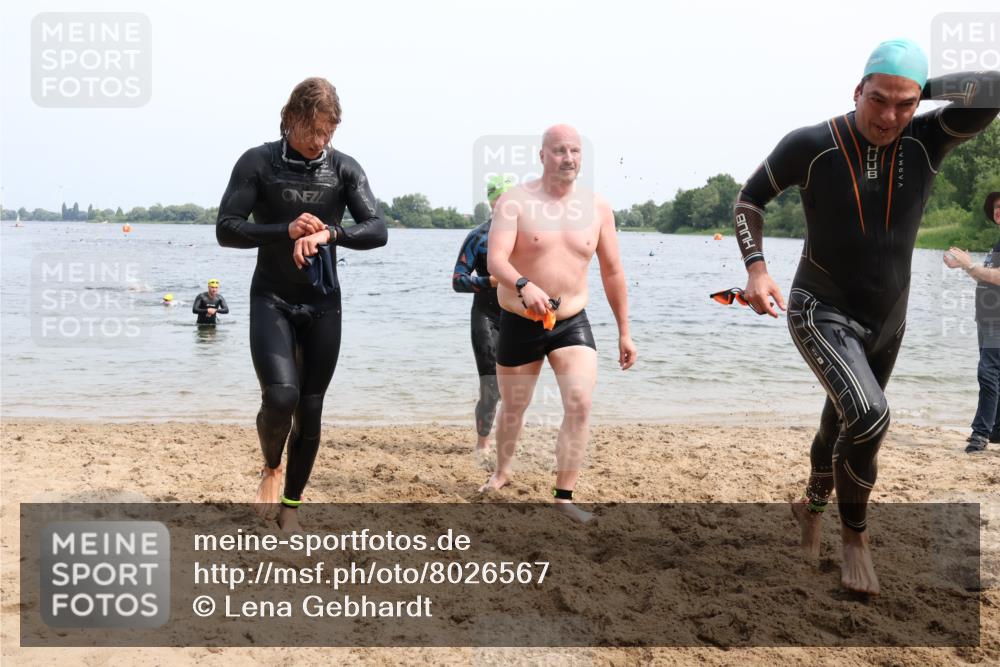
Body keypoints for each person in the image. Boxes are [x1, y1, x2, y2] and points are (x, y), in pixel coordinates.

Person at [735, 39, 999, 593]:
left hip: (888, 320)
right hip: (819, 307)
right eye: (879, 100)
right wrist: (757, 269)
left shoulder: (928, 138)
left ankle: (808, 506)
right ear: (857, 90)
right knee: (870, 415)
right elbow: (749, 200)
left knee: (843, 420)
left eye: (905, 104)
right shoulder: (812, 144)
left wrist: (923, 89)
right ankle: (855, 537)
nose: (889, 116)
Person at [216, 77, 387, 531]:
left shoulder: (344, 169)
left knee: (310, 407)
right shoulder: (259, 163)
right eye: (313, 130)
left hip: (323, 302)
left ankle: (291, 505)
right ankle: (271, 466)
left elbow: (377, 229)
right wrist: (285, 230)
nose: (320, 142)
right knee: (281, 396)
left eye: (328, 132)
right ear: (291, 119)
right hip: (271, 296)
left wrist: (331, 233)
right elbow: (226, 229)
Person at [480, 124, 637, 522]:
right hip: (519, 319)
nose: (568, 158)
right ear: (543, 155)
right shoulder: (514, 202)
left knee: (580, 403)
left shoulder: (598, 208)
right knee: (514, 407)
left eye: (575, 151)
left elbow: (613, 271)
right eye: (559, 151)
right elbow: (495, 259)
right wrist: (523, 284)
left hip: (570, 320)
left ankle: (564, 496)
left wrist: (624, 331)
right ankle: (501, 472)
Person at [452, 175, 516, 465]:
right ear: (492, 201)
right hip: (486, 316)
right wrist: (491, 280)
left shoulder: (526, 235)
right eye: (501, 198)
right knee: (491, 384)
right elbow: (458, 280)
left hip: (518, 317)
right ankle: (483, 443)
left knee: (516, 387)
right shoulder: (478, 237)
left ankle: (507, 438)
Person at [943, 191, 1000, 452]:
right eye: (996, 207)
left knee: (988, 373)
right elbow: (986, 276)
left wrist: (970, 265)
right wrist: (965, 266)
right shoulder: (998, 245)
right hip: (989, 317)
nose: (998, 210)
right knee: (995, 373)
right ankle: (996, 430)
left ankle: (980, 435)